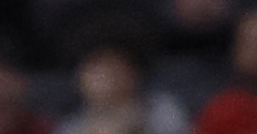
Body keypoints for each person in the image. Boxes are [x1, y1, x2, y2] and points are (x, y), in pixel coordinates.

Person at [57, 20, 187, 134]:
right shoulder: (70, 127)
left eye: (111, 67)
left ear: (133, 71)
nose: (102, 77)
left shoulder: (162, 112)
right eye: (94, 68)